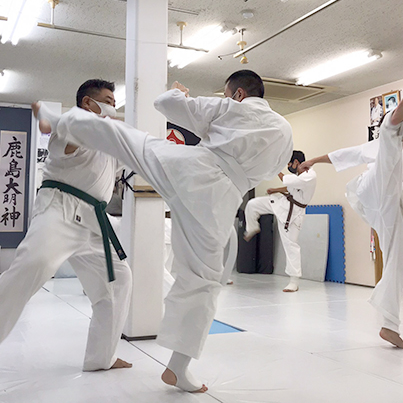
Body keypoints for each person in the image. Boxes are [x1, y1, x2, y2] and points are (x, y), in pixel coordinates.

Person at [34, 69, 293, 393]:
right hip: (220, 200)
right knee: (203, 281)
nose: (227, 98)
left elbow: (166, 105)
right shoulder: (285, 130)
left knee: (129, 140)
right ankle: (178, 367)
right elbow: (273, 169)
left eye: (228, 94)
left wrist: (178, 94)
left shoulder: (229, 108)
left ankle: (57, 121)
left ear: (239, 94)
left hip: (190, 168)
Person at [0, 79, 133, 372]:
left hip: (94, 221)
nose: (113, 107)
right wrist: (51, 119)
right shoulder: (74, 128)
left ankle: (101, 358)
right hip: (60, 210)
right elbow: (74, 133)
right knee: (31, 267)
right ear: (88, 102)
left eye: (115, 103)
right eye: (108, 101)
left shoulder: (106, 140)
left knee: (119, 279)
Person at [299, 90, 403, 348]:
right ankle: (394, 117)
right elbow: (345, 154)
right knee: (388, 148)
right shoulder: (382, 144)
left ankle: (389, 325)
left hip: (391, 204)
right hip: (373, 189)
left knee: (398, 261)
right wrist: (314, 161)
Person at [244, 150, 316, 292]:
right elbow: (292, 187)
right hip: (283, 203)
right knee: (253, 204)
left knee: (291, 245)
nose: (288, 167)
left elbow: (287, 181)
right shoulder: (300, 175)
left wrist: (276, 168)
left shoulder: (310, 175)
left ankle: (294, 281)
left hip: (294, 214)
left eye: (289, 164)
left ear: (296, 162)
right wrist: (275, 190)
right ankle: (252, 227)